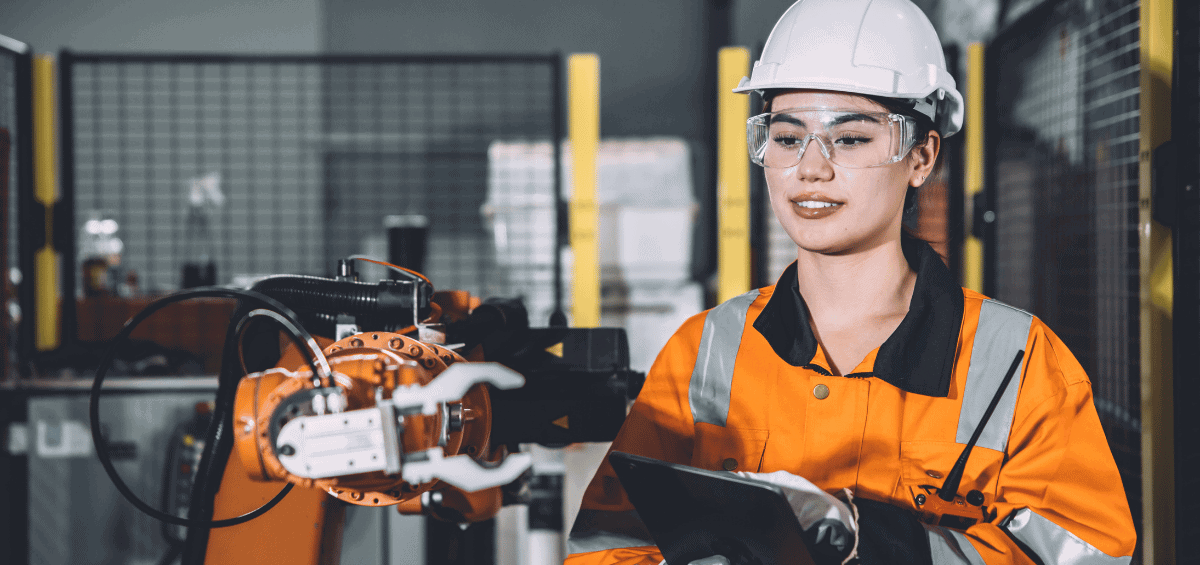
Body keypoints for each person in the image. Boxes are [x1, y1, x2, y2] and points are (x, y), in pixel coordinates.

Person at [565, 0, 1137, 563]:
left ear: (921, 157)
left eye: (852, 138)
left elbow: (1088, 554)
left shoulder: (1018, 364)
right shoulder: (704, 352)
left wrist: (883, 543)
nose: (811, 168)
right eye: (787, 138)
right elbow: (605, 547)